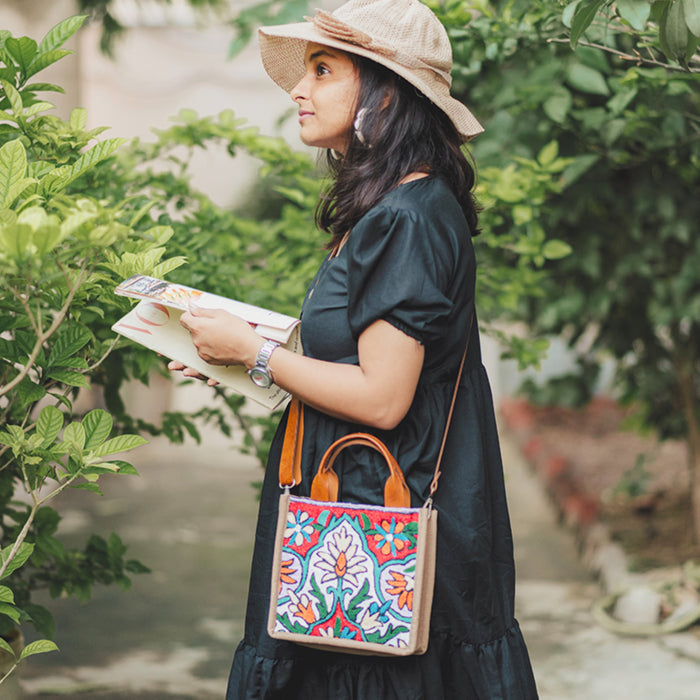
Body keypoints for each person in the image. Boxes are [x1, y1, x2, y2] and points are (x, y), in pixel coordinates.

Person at [171, 0, 539, 697]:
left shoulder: (408, 215)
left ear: (386, 91)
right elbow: (359, 368)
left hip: (377, 527)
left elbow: (384, 396)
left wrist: (256, 354)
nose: (298, 90)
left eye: (323, 69)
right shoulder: (395, 207)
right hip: (356, 516)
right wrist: (238, 352)